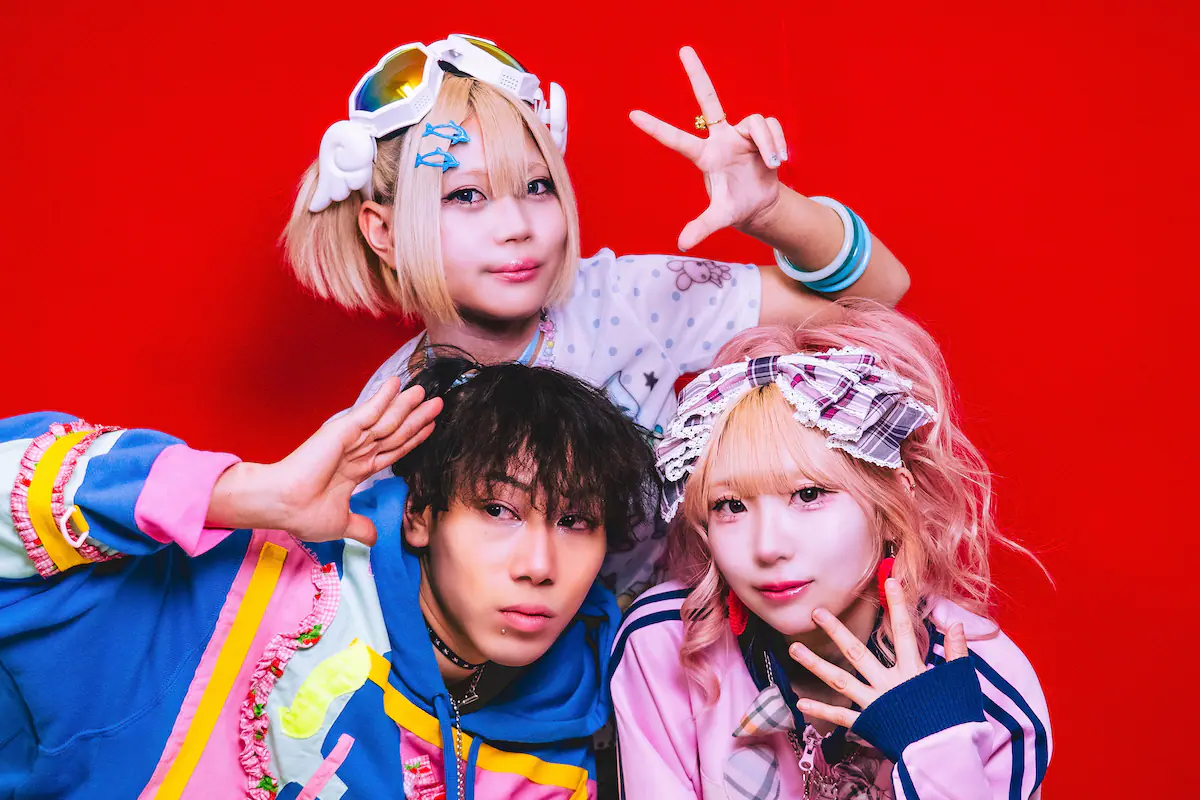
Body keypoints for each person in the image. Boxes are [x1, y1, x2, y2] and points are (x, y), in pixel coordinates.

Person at [282, 34, 912, 604]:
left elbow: (875, 296)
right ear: (385, 233)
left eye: (537, 187)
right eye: (466, 195)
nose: (517, 226)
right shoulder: (389, 418)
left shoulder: (623, 299)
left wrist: (772, 209)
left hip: (689, 651)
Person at [0, 356, 656, 799]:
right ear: (421, 515)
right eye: (498, 510)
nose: (539, 566)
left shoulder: (583, 714)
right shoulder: (253, 588)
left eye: (576, 521)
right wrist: (246, 494)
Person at [610, 302, 1051, 799]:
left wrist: (933, 743)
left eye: (809, 495)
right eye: (731, 505)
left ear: (893, 501)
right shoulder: (668, 641)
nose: (768, 547)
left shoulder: (983, 682)